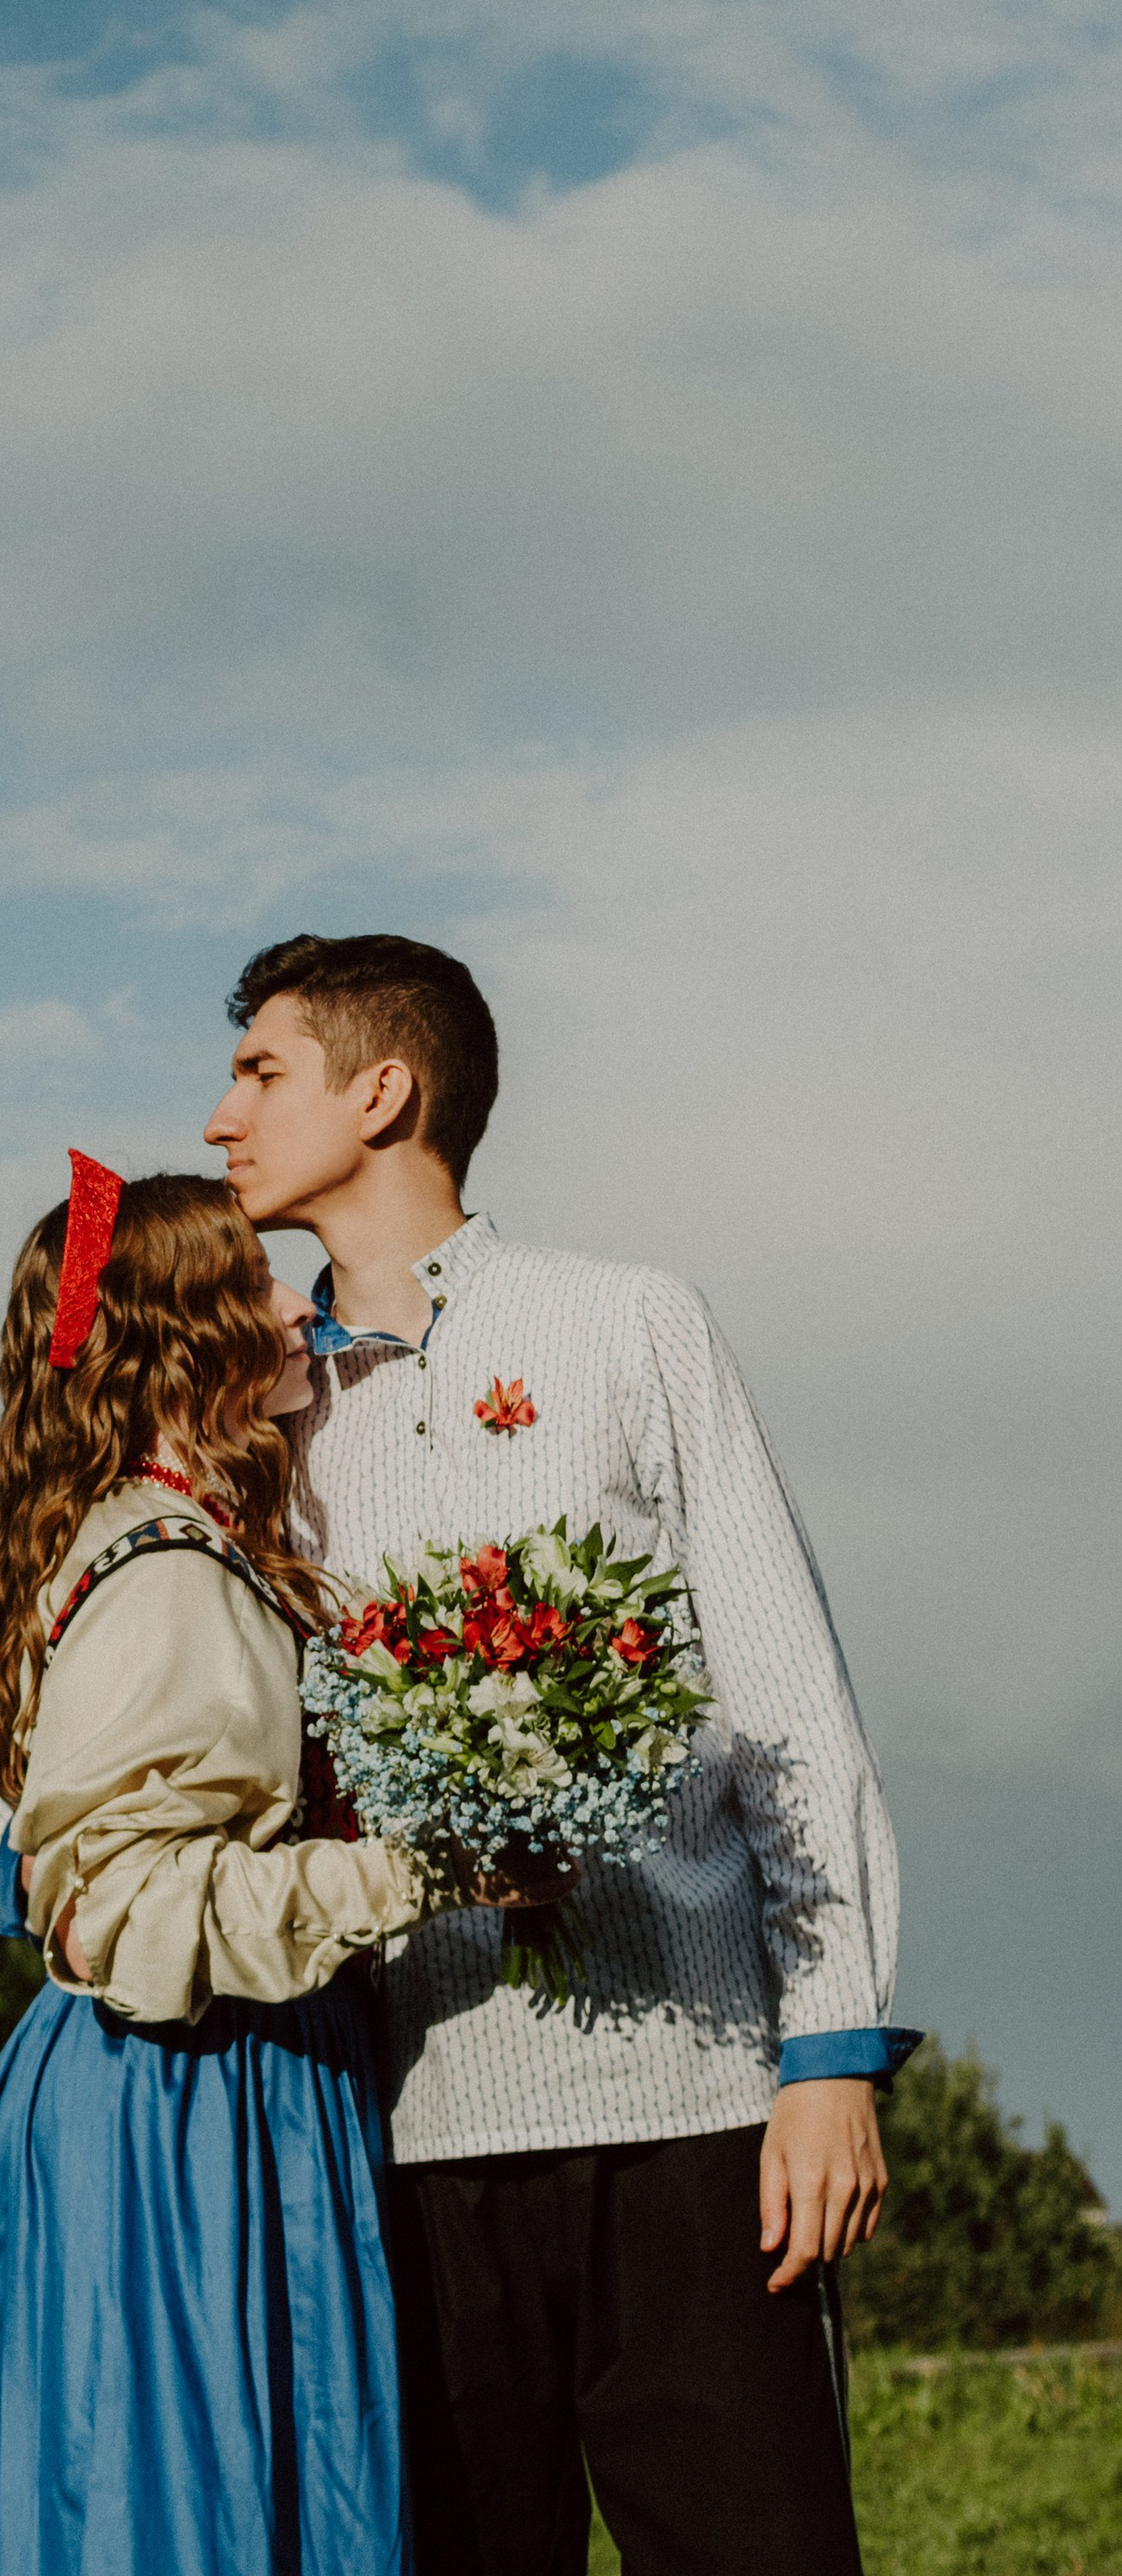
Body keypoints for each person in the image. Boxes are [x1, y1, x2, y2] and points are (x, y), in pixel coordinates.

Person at [204, 932, 917, 2576]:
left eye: (261, 1071)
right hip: (402, 2137)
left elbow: (791, 1704)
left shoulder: (631, 1326)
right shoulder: (257, 1416)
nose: (222, 1117)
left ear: (383, 1090)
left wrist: (829, 2059)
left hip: (695, 2124)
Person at [0, 1161, 438, 2576]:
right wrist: (423, 1871)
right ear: (187, 1342)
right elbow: (120, 1906)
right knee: (177, 2507)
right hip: (187, 2101)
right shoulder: (167, 1570)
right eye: (257, 1283)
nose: (293, 1304)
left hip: (127, 2098)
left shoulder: (94, 1543)